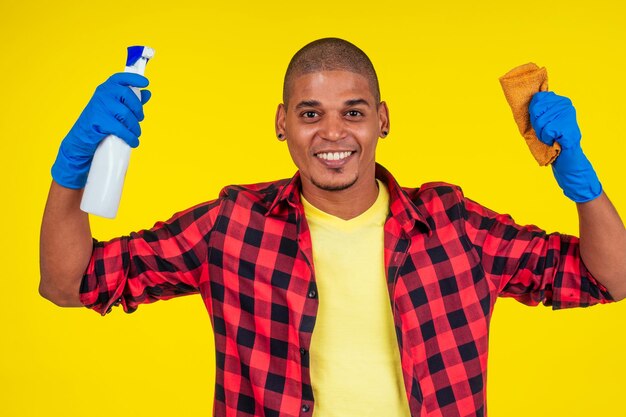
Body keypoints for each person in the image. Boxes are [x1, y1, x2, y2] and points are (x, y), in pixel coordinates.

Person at [40, 38, 626, 417]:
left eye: (353, 112)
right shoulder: (232, 225)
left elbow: (611, 278)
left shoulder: (453, 224)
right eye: (310, 113)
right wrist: (73, 167)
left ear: (382, 120)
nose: (332, 134)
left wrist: (581, 178)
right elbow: (70, 283)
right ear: (281, 123)